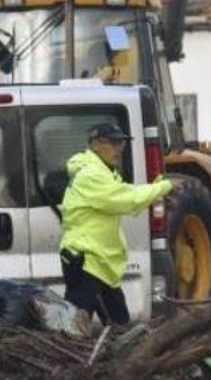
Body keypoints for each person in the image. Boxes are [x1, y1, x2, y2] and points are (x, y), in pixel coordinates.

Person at [60, 123, 174, 325]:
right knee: (74, 329)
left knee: (119, 326)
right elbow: (128, 200)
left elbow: (127, 195)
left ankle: (118, 356)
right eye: (113, 142)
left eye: (122, 142)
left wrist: (153, 189)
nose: (120, 148)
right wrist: (164, 187)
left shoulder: (105, 172)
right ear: (95, 145)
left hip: (102, 264)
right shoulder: (90, 175)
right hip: (86, 261)